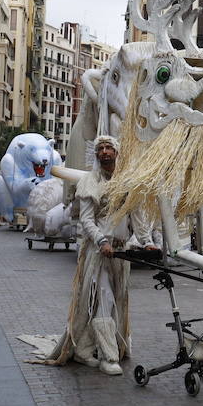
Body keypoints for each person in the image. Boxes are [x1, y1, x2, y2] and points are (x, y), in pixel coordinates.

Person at [40, 135, 155, 375]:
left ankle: (84, 349)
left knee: (118, 299)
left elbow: (138, 217)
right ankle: (108, 356)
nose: (104, 152)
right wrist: (101, 240)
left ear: (116, 152)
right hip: (97, 252)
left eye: (108, 148)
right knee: (103, 298)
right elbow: (86, 219)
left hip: (121, 253)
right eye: (100, 148)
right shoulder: (89, 181)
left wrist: (147, 241)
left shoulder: (127, 181)